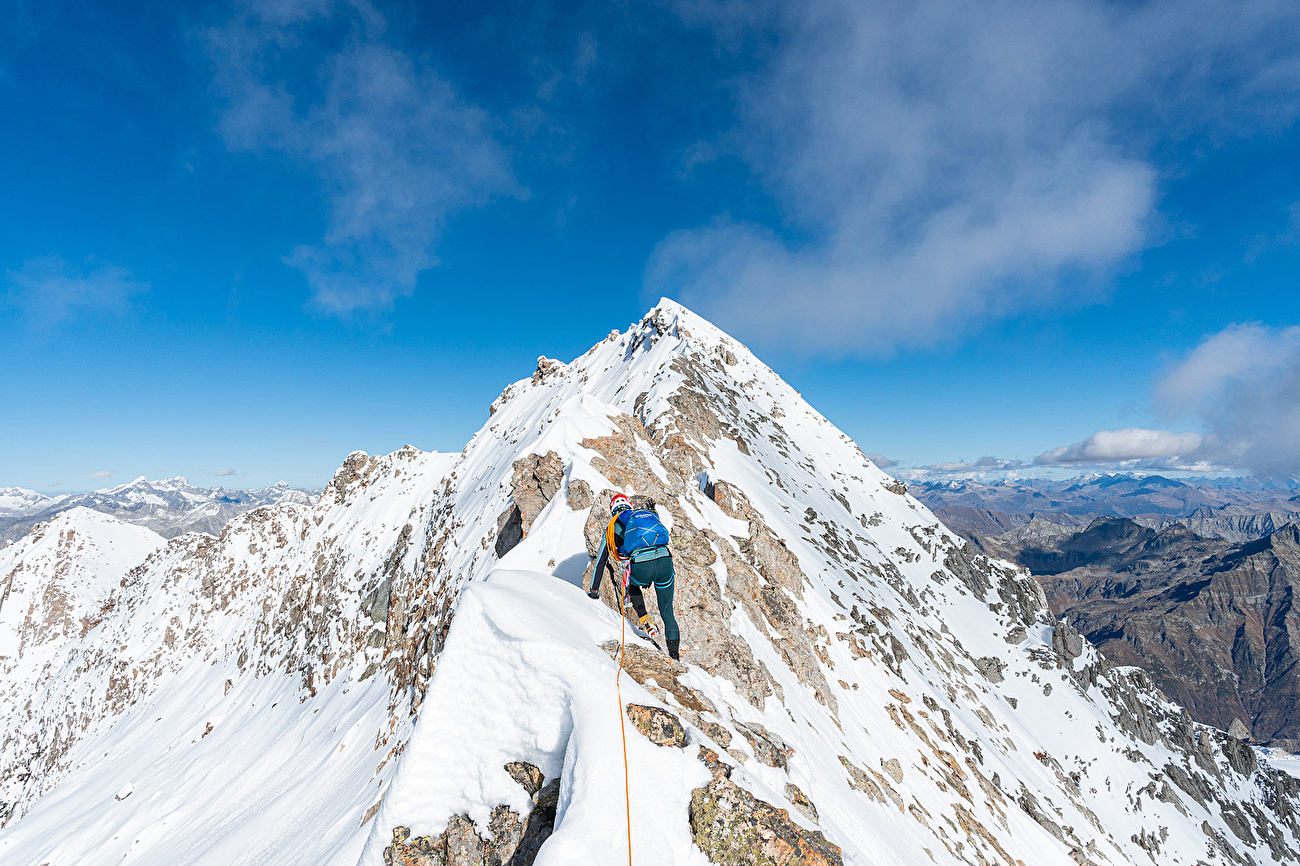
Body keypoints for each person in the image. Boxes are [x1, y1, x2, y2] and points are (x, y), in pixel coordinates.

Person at [589, 493, 680, 660]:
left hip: (640, 566)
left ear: (612, 510)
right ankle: (675, 658)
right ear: (629, 506)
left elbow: (600, 562)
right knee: (668, 613)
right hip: (664, 561)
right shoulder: (646, 516)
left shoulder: (613, 525)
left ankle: (645, 618)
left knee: (632, 584)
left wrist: (594, 591)